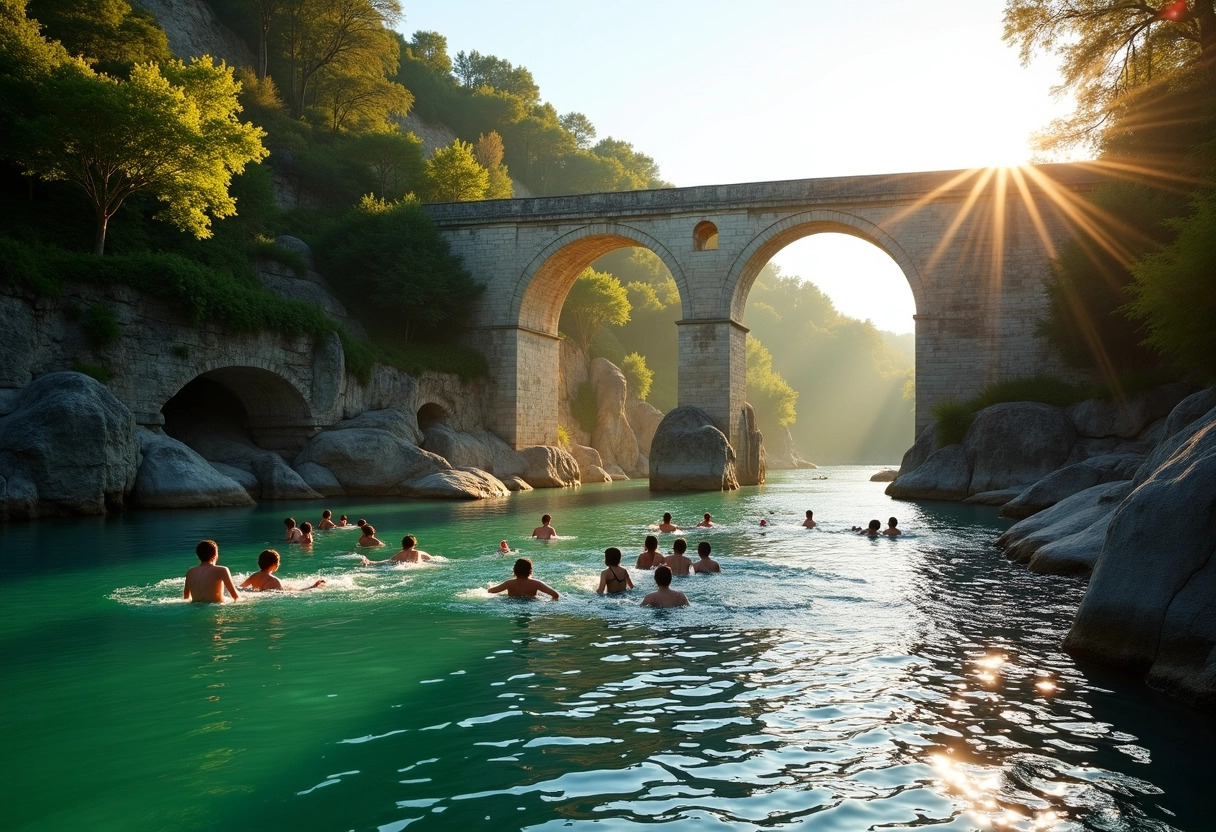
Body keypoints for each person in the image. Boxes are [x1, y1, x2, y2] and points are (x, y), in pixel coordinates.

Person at [183, 539, 240, 604]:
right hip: (216, 608)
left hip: (196, 607)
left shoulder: (190, 572)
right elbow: (234, 595)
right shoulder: (222, 570)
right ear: (215, 555)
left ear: (198, 556)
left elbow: (186, 597)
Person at [241, 549, 325, 591]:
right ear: (274, 564)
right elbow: (288, 595)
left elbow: (241, 588)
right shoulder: (274, 580)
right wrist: (312, 587)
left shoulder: (254, 576)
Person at [489, 557, 560, 600]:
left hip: (512, 604)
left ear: (515, 570)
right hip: (531, 604)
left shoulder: (509, 583)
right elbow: (555, 595)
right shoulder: (536, 583)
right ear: (530, 570)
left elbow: (491, 591)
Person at [363, 535, 434, 565]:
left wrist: (370, 562)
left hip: (400, 567)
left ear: (403, 544)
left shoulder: (399, 554)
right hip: (414, 568)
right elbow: (432, 559)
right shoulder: (418, 552)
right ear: (414, 544)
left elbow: (385, 561)